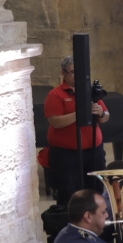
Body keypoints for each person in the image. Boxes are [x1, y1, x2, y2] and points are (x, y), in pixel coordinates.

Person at [44, 56, 109, 204]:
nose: (78, 75)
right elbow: (56, 122)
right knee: (70, 194)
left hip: (94, 151)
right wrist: (80, 113)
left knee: (96, 191)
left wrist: (100, 113)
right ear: (63, 73)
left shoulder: (90, 92)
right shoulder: (55, 95)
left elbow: (106, 117)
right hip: (67, 155)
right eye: (73, 72)